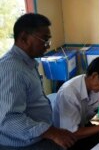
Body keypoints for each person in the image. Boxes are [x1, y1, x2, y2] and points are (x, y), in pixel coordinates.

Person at [0, 13, 77, 149]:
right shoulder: (12, 69)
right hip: (22, 144)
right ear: (24, 38)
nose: (47, 46)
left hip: (37, 135)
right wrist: (51, 132)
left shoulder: (27, 62)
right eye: (44, 40)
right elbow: (9, 120)